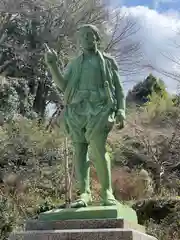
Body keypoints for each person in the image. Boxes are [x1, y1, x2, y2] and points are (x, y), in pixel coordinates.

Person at [44, 24, 125, 208]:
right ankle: (84, 194)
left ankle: (107, 192)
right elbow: (63, 85)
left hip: (101, 109)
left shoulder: (108, 61)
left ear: (97, 38)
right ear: (79, 41)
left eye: (90, 35)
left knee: (98, 148)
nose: (86, 39)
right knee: (79, 151)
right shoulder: (74, 63)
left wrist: (121, 110)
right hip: (77, 110)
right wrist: (52, 64)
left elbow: (119, 89)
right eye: (82, 37)